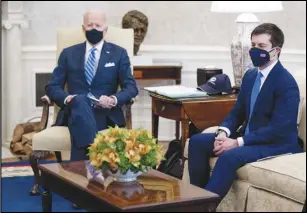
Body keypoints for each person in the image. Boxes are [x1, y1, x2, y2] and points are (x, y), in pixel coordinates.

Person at [188, 23, 302, 200]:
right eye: (253, 45)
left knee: (229, 157)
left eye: (262, 46)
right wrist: (223, 132)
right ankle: (196, 200)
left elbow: (279, 129)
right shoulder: (250, 76)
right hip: (250, 138)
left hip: (277, 143)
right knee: (196, 142)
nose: (255, 50)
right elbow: (237, 111)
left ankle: (205, 207)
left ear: (276, 51)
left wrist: (237, 142)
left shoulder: (286, 83)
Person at [46, 9, 139, 161]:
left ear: (105, 29)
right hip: (74, 109)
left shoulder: (119, 53)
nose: (94, 29)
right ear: (83, 28)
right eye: (90, 25)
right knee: (80, 101)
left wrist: (112, 99)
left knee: (81, 119)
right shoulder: (68, 54)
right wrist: (68, 98)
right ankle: (93, 163)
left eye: (98, 25)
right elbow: (52, 87)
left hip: (105, 113)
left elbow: (131, 87)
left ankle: (77, 177)